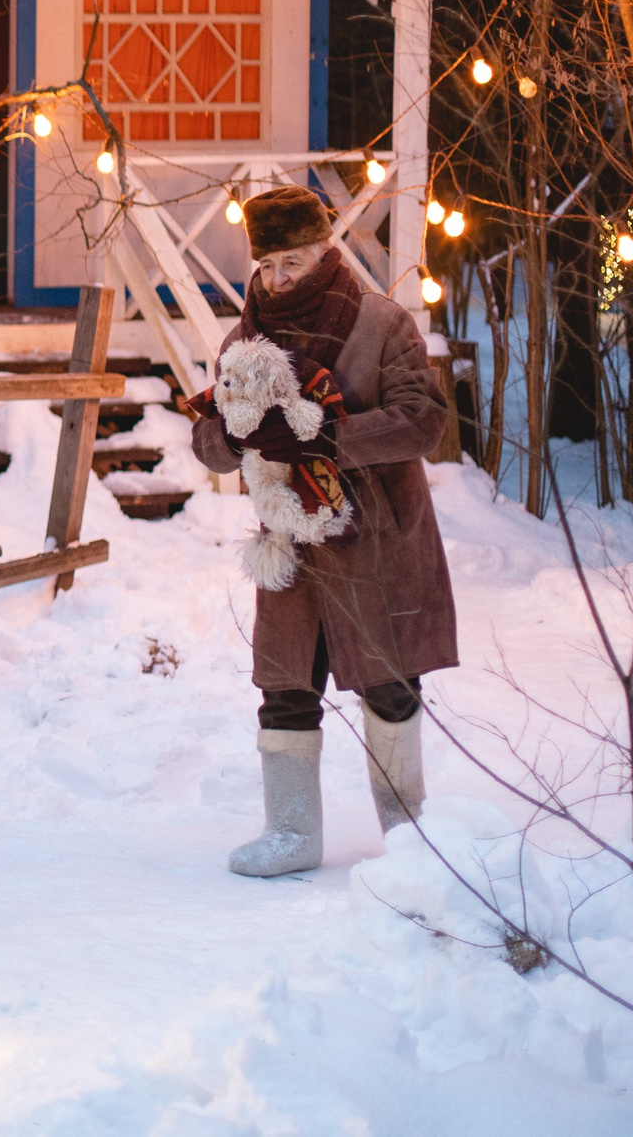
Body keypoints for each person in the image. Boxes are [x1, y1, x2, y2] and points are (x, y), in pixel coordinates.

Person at [190, 185, 458, 877]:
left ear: (324, 251)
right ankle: (292, 833)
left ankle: (409, 837)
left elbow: (424, 419)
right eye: (268, 264)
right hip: (293, 544)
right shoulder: (243, 342)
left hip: (376, 537)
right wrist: (228, 434)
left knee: (389, 684)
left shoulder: (382, 322)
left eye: (294, 261)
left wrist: (328, 437)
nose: (278, 278)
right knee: (283, 686)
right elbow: (209, 442)